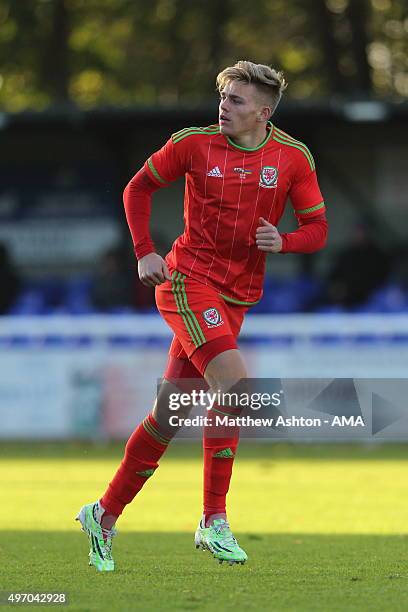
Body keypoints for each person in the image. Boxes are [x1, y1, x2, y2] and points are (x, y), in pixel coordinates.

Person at [76, 60, 328, 571]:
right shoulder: (194, 143)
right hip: (186, 281)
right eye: (223, 97)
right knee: (234, 386)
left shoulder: (293, 158)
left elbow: (318, 228)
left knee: (169, 417)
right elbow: (136, 189)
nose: (223, 107)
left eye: (236, 101)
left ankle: (101, 513)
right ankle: (214, 520)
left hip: (237, 298)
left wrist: (285, 241)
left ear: (262, 112)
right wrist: (145, 251)